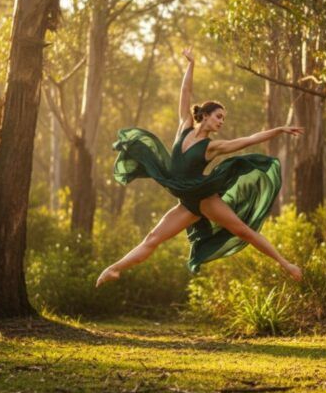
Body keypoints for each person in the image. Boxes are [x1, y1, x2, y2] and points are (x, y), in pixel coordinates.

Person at [96, 46, 303, 287]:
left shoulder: (211, 147)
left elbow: (248, 140)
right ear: (204, 115)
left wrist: (278, 130)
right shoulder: (183, 126)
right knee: (152, 238)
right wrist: (191, 63)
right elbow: (185, 91)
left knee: (243, 231)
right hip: (187, 204)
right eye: (218, 116)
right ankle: (114, 269)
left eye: (223, 119)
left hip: (205, 198)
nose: (221, 122)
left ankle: (286, 264)